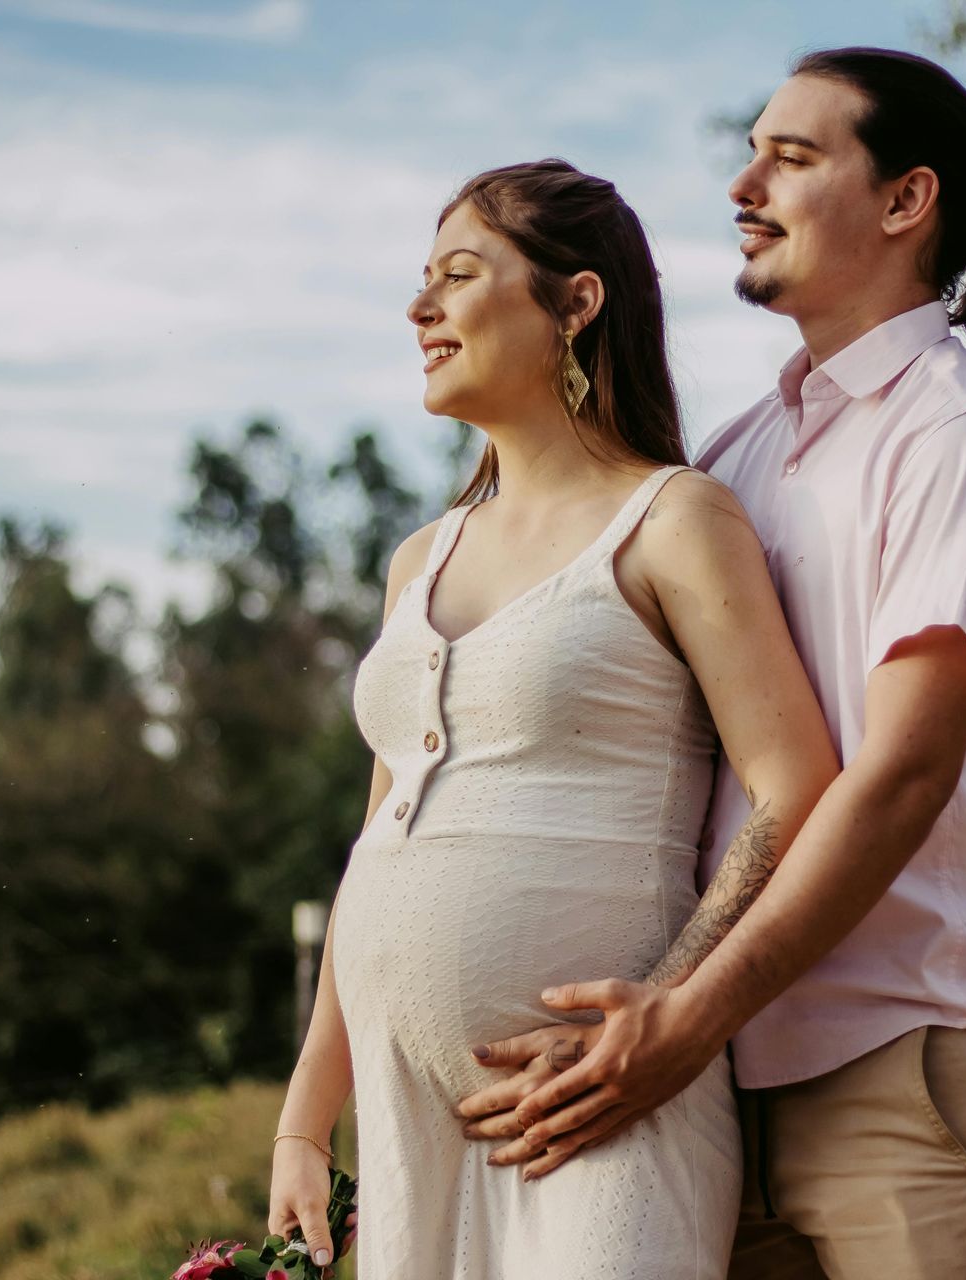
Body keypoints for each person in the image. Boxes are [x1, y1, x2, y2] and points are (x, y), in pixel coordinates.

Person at [455, 48, 966, 1280]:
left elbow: (898, 778)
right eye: (750, 150)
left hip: (904, 1057)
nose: (745, 183)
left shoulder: (960, 439)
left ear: (907, 201)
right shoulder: (734, 460)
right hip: (721, 1081)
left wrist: (682, 1016)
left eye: (791, 157)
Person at [264, 158, 840, 1277]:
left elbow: (798, 784)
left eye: (460, 274)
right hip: (407, 1123)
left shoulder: (675, 520)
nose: (420, 306)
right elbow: (378, 844)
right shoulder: (418, 558)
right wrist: (304, 1109)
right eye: (420, 279)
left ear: (577, 301)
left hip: (601, 1113)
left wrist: (665, 1011)